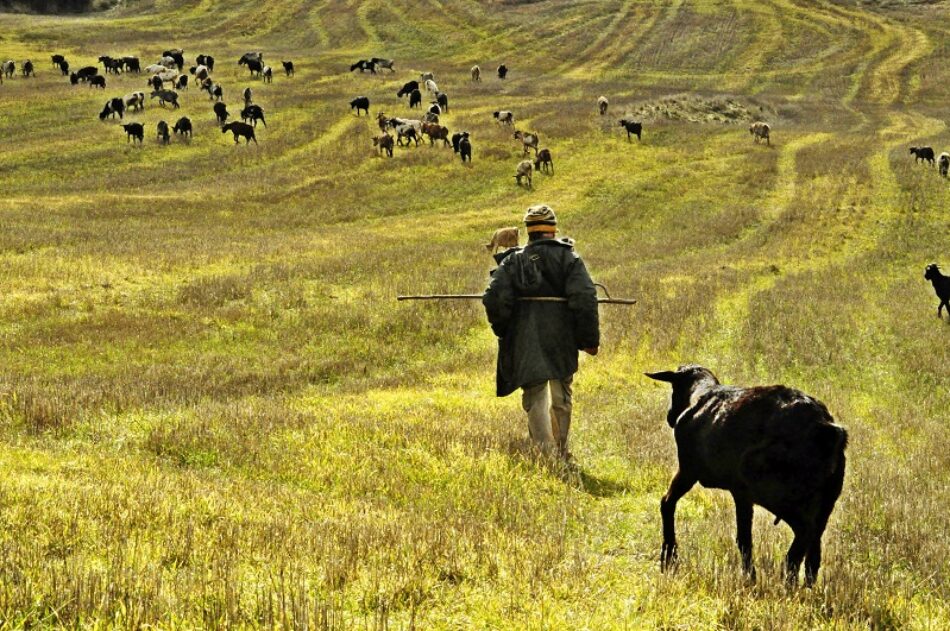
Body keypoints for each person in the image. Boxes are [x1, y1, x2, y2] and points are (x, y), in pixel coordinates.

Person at [482, 205, 600, 461]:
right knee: (561, 395)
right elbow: (585, 298)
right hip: (562, 340)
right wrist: (589, 341)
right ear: (552, 230)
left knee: (535, 394)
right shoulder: (569, 259)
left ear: (529, 232)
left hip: (526, 340)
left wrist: (506, 330)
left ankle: (545, 454)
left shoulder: (513, 261)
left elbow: (493, 299)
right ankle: (559, 449)